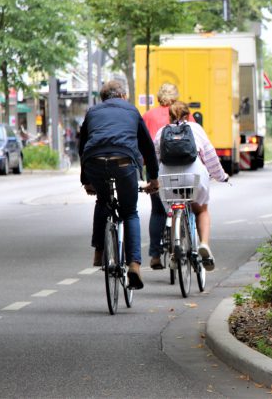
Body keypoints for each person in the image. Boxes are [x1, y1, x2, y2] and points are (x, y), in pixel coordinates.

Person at [78, 80, 159, 290]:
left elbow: (82, 146)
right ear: (123, 96)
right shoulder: (131, 110)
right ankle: (134, 264)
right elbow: (147, 146)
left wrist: (86, 179)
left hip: (94, 161)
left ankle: (98, 251)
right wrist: (154, 177)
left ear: (103, 98)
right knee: (130, 212)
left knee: (103, 200)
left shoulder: (92, 112)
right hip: (124, 162)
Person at [153, 101, 228, 271]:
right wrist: (221, 176)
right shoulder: (196, 129)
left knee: (173, 210)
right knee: (201, 209)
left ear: (170, 116)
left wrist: (153, 181)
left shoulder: (161, 132)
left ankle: (174, 251)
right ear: (188, 116)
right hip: (194, 177)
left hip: (168, 179)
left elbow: (155, 159)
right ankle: (204, 244)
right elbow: (210, 157)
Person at [143, 83, 194, 270]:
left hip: (156, 168)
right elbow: (195, 139)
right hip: (183, 168)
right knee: (187, 202)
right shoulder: (182, 113)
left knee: (157, 211)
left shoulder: (148, 116)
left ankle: (155, 255)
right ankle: (185, 240)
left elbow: (142, 141)